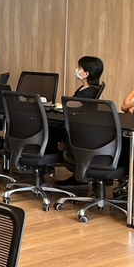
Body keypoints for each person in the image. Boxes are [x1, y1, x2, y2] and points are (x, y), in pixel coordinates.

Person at [53, 56, 104, 186]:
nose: (77, 70)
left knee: (50, 127)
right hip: (76, 125)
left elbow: (69, 104)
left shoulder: (89, 92)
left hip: (77, 130)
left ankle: (55, 151)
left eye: (79, 68)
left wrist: (59, 105)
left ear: (86, 74)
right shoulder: (84, 89)